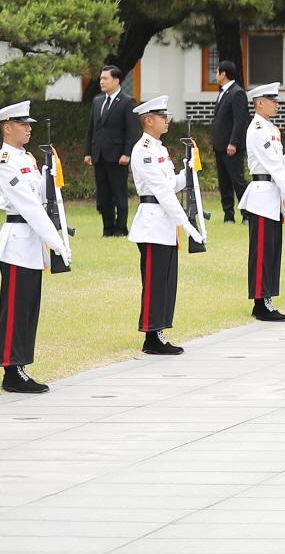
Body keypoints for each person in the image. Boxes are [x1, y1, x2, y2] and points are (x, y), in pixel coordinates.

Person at [0, 101, 72, 393]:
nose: (29, 128)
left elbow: (43, 197)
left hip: (31, 244)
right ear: (7, 127)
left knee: (29, 308)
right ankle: (11, 369)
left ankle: (21, 366)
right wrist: (56, 242)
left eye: (29, 123)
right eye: (22, 124)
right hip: (18, 241)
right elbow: (29, 207)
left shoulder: (26, 158)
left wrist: (48, 174)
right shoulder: (6, 160)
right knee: (15, 309)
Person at [129, 95, 197, 355]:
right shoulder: (143, 149)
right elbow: (161, 192)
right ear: (148, 120)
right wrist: (187, 225)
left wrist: (186, 172)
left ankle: (160, 331)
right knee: (155, 281)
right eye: (161, 116)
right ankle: (151, 334)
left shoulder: (159, 148)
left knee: (167, 281)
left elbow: (171, 185)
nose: (166, 120)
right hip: (152, 222)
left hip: (165, 222)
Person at [240, 82, 285, 322]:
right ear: (260, 103)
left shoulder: (270, 128)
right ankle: (260, 302)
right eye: (272, 101)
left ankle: (267, 298)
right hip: (263, 195)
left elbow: (282, 161)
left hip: (272, 196)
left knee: (273, 251)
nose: (277, 104)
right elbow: (274, 167)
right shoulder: (257, 128)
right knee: (263, 251)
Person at [85, 65, 136, 237]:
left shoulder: (127, 102)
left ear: (116, 80)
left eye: (105, 78)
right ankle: (107, 228)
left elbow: (132, 131)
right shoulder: (98, 101)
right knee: (103, 194)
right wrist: (88, 152)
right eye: (100, 78)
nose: (101, 81)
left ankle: (120, 228)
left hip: (117, 156)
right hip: (99, 155)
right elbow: (92, 128)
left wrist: (127, 153)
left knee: (119, 193)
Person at [209, 59, 247, 223]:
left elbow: (240, 120)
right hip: (220, 145)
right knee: (224, 182)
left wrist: (233, 142)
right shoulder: (223, 92)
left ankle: (247, 214)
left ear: (223, 74)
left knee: (237, 180)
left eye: (217, 72)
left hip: (231, 146)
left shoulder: (237, 92)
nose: (215, 75)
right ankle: (228, 215)